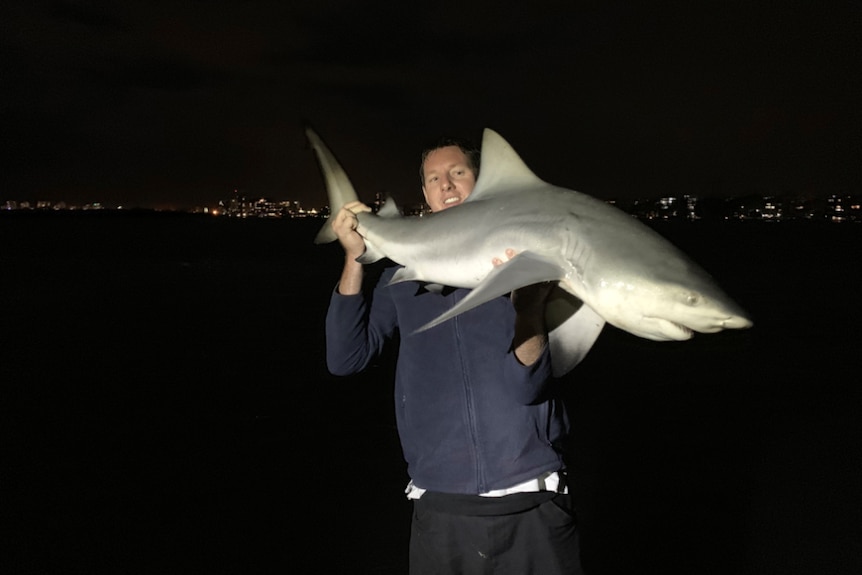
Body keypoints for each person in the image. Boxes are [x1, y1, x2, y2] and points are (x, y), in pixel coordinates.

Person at [325, 136, 583, 574]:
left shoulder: (527, 265)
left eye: (458, 173)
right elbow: (345, 358)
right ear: (425, 195)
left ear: (480, 182)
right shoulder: (399, 278)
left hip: (533, 501)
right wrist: (356, 260)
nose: (446, 185)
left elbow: (528, 385)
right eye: (433, 178)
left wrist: (529, 306)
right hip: (441, 507)